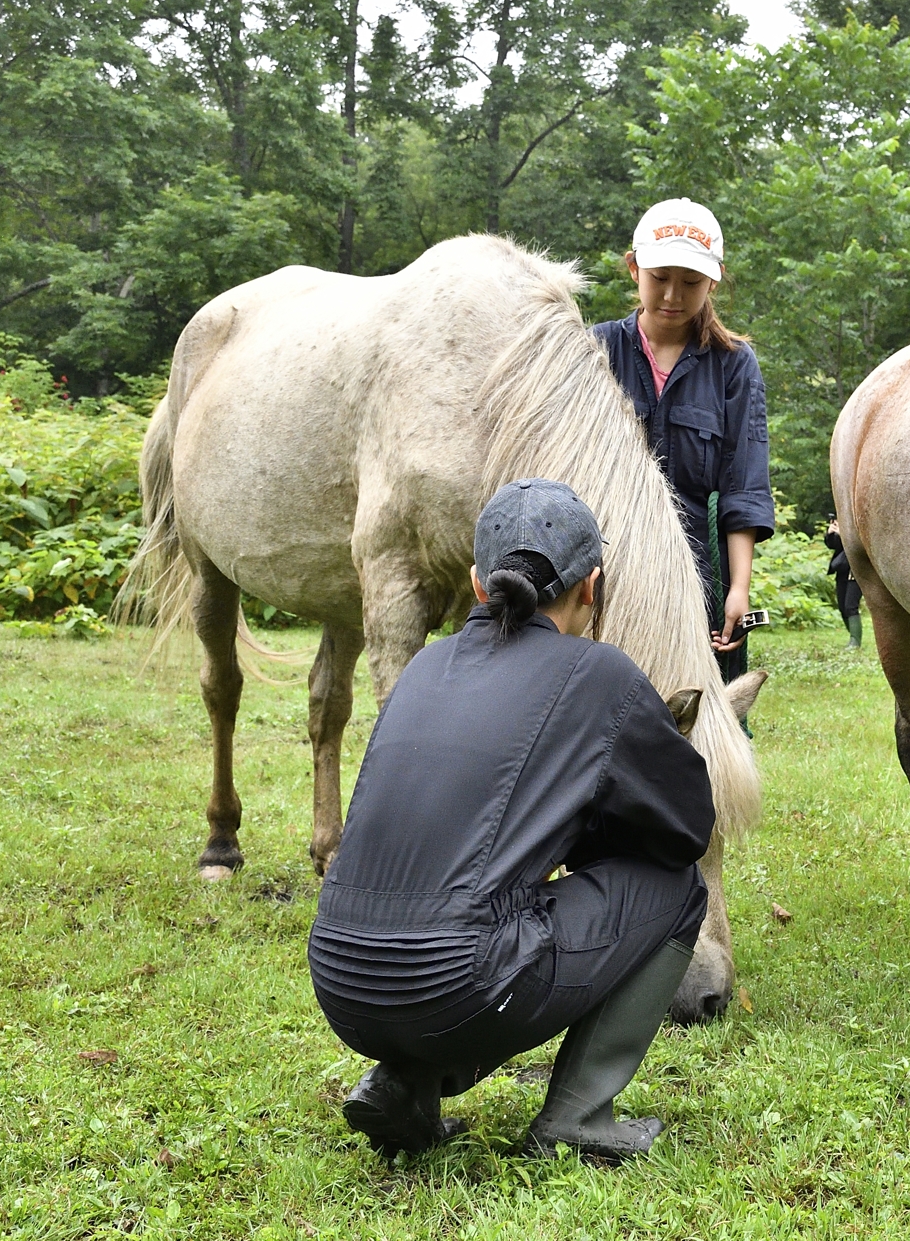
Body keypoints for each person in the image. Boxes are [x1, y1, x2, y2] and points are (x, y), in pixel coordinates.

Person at [309, 479, 716, 1161]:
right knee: (677, 889)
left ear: (476, 582)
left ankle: (401, 1083)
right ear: (592, 585)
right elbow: (684, 829)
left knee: (459, 908)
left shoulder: (423, 666)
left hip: (341, 983)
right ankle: (579, 1118)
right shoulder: (600, 675)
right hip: (455, 983)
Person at [591, 199, 775, 686]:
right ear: (635, 269)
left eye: (691, 282)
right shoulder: (595, 350)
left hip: (696, 577)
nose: (673, 295)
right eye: (660, 277)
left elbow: (743, 486)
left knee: (692, 712)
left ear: (713, 281)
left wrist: (738, 589)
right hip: (606, 571)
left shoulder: (734, 366)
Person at [825, 516, 862, 648]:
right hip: (842, 568)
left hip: (856, 568)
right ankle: (852, 635)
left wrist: (845, 534)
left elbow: (859, 543)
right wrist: (830, 534)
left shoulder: (857, 519)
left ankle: (855, 641)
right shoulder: (841, 517)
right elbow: (833, 545)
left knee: (850, 605)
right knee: (842, 606)